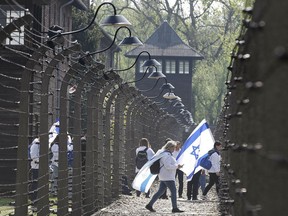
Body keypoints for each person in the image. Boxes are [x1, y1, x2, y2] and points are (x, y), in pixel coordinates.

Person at [145, 141, 184, 213]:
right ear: (170, 147)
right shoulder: (167, 155)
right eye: (174, 147)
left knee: (160, 191)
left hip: (164, 176)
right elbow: (168, 166)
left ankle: (150, 205)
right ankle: (174, 208)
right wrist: (177, 166)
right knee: (173, 191)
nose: (175, 149)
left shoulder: (164, 154)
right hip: (168, 176)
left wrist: (176, 166)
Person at [29, 137, 40, 210]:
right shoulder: (35, 145)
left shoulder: (39, 144)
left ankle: (37, 200)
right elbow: (33, 155)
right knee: (35, 183)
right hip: (36, 167)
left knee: (38, 183)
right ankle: (33, 200)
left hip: (40, 167)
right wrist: (40, 160)